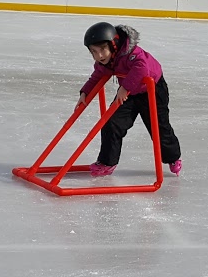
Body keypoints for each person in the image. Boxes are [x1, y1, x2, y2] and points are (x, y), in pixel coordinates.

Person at [76, 21, 182, 177]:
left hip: (152, 92)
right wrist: (85, 92)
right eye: (94, 52)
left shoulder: (131, 53)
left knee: (159, 127)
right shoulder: (105, 62)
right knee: (111, 123)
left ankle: (173, 158)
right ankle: (107, 162)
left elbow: (142, 67)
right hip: (130, 94)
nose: (99, 56)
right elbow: (97, 76)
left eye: (103, 49)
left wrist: (124, 88)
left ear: (113, 44)